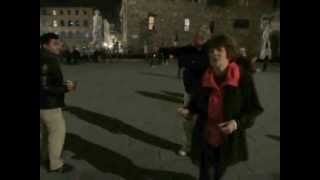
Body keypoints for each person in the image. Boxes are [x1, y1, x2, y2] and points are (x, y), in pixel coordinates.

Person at [179, 35, 263, 180]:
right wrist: (189, 110)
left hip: (227, 139)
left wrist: (236, 123)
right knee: (204, 172)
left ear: (228, 53)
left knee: (218, 171)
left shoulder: (242, 77)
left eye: (219, 50)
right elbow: (197, 101)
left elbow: (254, 108)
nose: (214, 54)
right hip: (205, 134)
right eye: (211, 51)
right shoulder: (206, 75)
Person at [40, 33, 76, 173]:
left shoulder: (45, 58)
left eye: (58, 43)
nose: (59, 46)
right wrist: (66, 88)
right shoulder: (48, 60)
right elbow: (44, 87)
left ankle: (45, 157)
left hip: (43, 104)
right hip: (48, 104)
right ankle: (55, 164)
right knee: (57, 133)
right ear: (44, 45)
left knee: (45, 133)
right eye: (54, 43)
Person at [174, 32, 209, 157]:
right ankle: (188, 145)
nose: (198, 39)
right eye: (197, 37)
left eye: (201, 38)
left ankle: (202, 146)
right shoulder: (188, 50)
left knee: (204, 122)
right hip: (190, 92)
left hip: (206, 94)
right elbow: (180, 60)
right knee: (188, 121)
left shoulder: (209, 52)